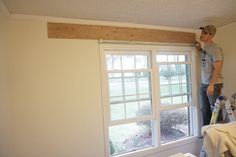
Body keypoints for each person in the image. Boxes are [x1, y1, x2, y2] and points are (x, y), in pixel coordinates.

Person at [195, 25, 224, 126]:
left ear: (211, 35)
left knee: (215, 111)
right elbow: (206, 57)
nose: (202, 35)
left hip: (213, 84)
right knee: (204, 109)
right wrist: (199, 49)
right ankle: (208, 135)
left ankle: (218, 136)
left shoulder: (215, 48)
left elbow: (218, 66)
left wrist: (211, 85)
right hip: (205, 83)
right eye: (202, 32)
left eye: (205, 33)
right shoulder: (206, 47)